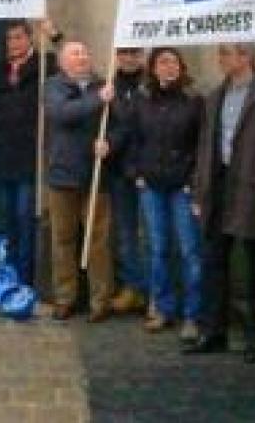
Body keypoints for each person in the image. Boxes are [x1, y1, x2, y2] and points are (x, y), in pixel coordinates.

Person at [184, 43, 255, 363]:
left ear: (246, 57)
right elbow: (205, 147)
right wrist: (200, 192)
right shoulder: (215, 96)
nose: (220, 59)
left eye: (225, 53)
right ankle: (213, 331)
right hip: (219, 187)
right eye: (220, 54)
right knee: (213, 261)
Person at [127, 47, 202, 343]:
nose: (168, 67)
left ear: (181, 67)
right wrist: (137, 172)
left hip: (183, 185)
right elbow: (133, 138)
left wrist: (193, 179)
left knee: (189, 250)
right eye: (162, 62)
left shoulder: (194, 101)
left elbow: (201, 144)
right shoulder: (143, 101)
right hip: (152, 184)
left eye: (172, 61)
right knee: (157, 249)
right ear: (153, 68)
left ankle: (193, 314)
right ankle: (162, 307)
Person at [44, 40, 119, 322]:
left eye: (85, 53)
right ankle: (65, 297)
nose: (82, 57)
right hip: (63, 174)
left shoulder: (104, 85)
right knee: (63, 239)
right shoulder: (53, 87)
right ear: (63, 62)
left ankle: (101, 300)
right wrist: (98, 99)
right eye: (75, 53)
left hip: (95, 175)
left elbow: (121, 125)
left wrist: (110, 143)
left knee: (98, 241)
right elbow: (63, 114)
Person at [0, 18, 61, 286]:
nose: (14, 43)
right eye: (9, 39)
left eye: (18, 37)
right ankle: (10, 272)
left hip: (30, 153)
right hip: (6, 153)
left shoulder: (44, 65)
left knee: (25, 215)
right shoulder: (1, 70)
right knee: (9, 216)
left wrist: (53, 34)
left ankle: (25, 275)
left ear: (30, 38)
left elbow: (70, 64)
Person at [107, 47, 148, 315]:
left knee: (150, 235)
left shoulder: (150, 85)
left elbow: (132, 122)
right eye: (124, 53)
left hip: (147, 169)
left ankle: (151, 291)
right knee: (125, 233)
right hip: (119, 169)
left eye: (134, 53)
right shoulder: (110, 85)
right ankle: (131, 287)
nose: (129, 58)